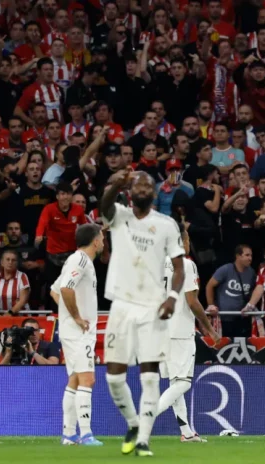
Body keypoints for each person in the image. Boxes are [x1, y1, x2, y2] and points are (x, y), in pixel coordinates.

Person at [99, 167, 186, 457]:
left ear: (155, 193)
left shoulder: (166, 224)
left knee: (150, 377)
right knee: (113, 378)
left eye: (150, 185)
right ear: (130, 190)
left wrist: (172, 297)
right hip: (121, 304)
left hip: (152, 307)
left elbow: (179, 268)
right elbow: (103, 205)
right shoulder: (118, 215)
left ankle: (144, 441)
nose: (145, 188)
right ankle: (134, 424)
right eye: (140, 184)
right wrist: (116, 184)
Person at [156, 228, 220, 442]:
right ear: (182, 241)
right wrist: (209, 329)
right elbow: (192, 301)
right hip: (180, 330)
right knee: (183, 383)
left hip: (161, 329)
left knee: (176, 383)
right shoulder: (186, 264)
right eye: (187, 239)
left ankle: (186, 432)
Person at [50, 223, 105, 446]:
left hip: (75, 331)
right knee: (87, 379)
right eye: (101, 237)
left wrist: (68, 315)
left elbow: (55, 290)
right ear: (94, 241)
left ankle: (69, 434)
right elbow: (65, 290)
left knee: (74, 380)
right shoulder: (80, 260)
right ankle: (86, 434)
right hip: (79, 332)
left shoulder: (78, 261)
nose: (103, 241)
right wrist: (76, 318)